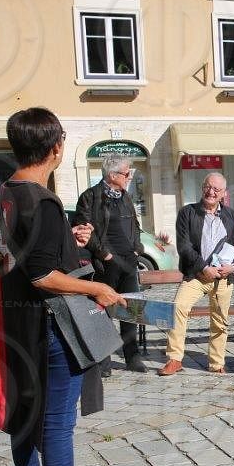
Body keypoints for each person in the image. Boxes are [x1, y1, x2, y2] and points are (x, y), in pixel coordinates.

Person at [0, 107, 122, 466]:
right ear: (56, 147)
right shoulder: (42, 201)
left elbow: (20, 256)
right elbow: (43, 275)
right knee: (56, 423)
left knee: (24, 410)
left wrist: (70, 240)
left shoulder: (7, 192)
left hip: (17, 321)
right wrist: (96, 289)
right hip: (49, 325)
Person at [158, 173, 234, 376]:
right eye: (208, 187)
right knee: (177, 307)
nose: (211, 192)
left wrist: (233, 267)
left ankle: (217, 364)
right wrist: (203, 268)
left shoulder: (231, 215)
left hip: (223, 277)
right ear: (202, 188)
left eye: (216, 189)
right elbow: (185, 247)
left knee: (219, 320)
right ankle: (174, 359)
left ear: (223, 193)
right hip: (196, 275)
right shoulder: (187, 213)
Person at [74, 154, 148, 373]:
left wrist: (137, 249)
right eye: (126, 173)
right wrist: (104, 254)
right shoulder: (90, 197)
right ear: (113, 174)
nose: (129, 177)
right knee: (103, 311)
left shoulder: (125, 196)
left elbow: (134, 225)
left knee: (130, 309)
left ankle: (132, 358)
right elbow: (84, 229)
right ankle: (103, 361)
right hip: (106, 264)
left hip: (129, 262)